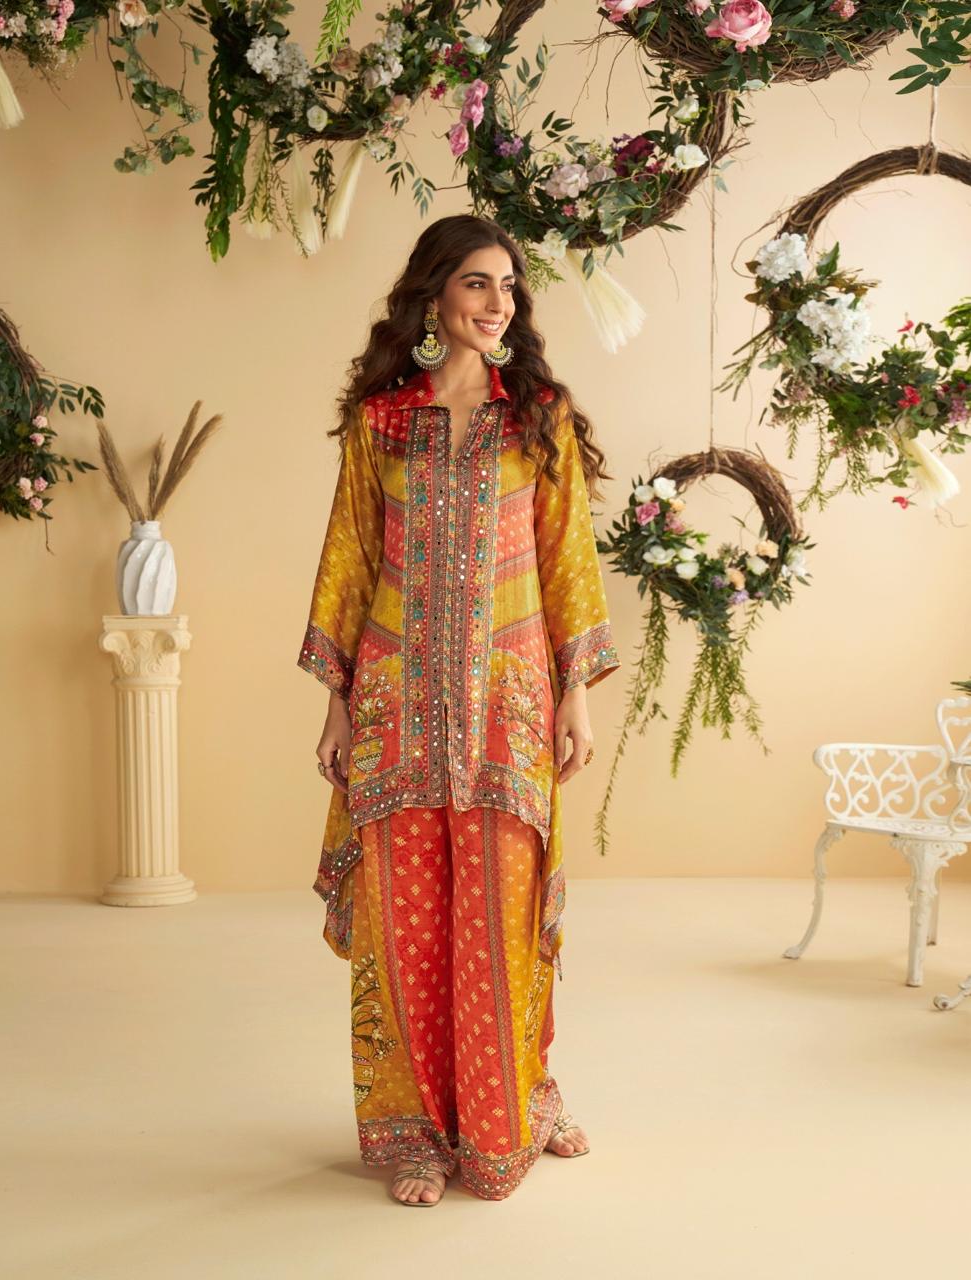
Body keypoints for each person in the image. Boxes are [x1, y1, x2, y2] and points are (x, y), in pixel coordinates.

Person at [298, 214, 620, 1205]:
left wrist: (575, 694)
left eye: (510, 288)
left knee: (502, 921)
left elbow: (567, 558)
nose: (498, 305)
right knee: (405, 926)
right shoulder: (382, 422)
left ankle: (517, 1105)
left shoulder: (540, 416)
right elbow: (351, 554)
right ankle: (410, 1132)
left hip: (509, 708)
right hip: (399, 705)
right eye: (478, 285)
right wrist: (339, 705)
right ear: (436, 295)